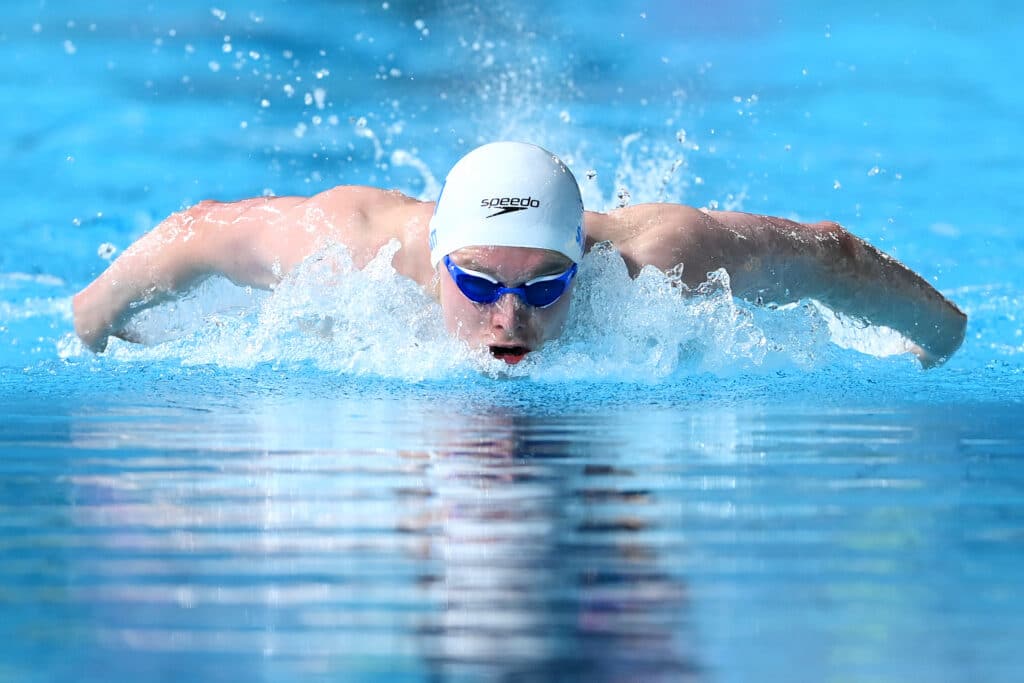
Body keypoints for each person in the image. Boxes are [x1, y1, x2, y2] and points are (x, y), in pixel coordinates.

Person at [72, 141, 967, 367]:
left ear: (582, 256)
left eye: (546, 284)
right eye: (479, 283)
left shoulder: (657, 261)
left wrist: (942, 340)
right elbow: (194, 233)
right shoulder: (352, 254)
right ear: (436, 257)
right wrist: (96, 324)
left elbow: (831, 254)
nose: (511, 317)